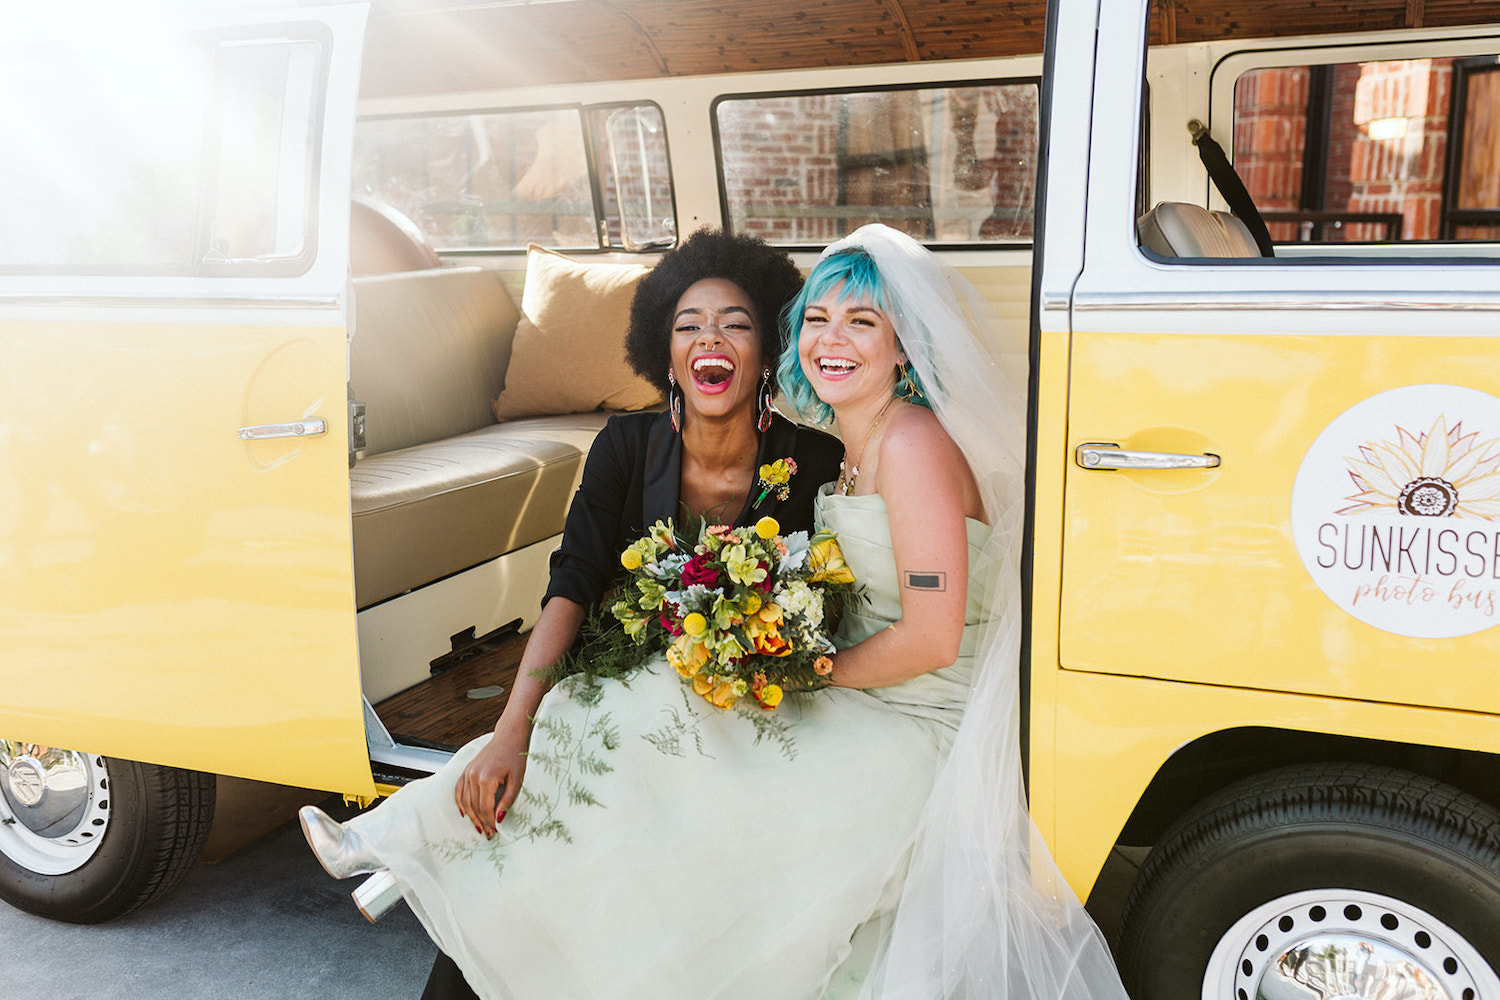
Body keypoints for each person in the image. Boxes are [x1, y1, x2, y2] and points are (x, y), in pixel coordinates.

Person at [775, 224, 1128, 999]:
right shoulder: (853, 445)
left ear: (905, 347)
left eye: (862, 323)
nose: (830, 340)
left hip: (927, 716)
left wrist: (808, 674)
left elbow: (933, 636)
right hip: (877, 693)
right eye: (817, 319)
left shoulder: (912, 448)